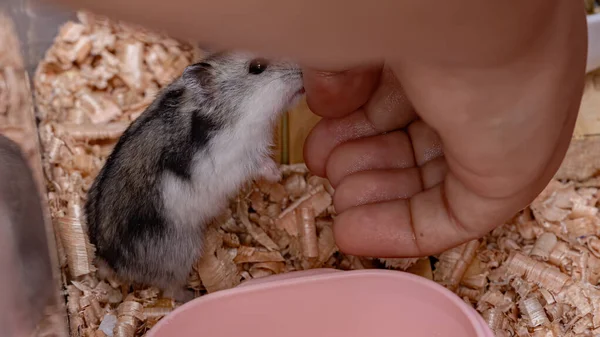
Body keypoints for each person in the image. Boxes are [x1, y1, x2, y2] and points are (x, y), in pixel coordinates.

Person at [51, 0, 586, 256]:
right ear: (212, 98)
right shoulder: (216, 136)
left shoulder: (219, 114)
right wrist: (512, 33)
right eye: (261, 69)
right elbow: (223, 169)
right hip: (152, 235)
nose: (291, 66)